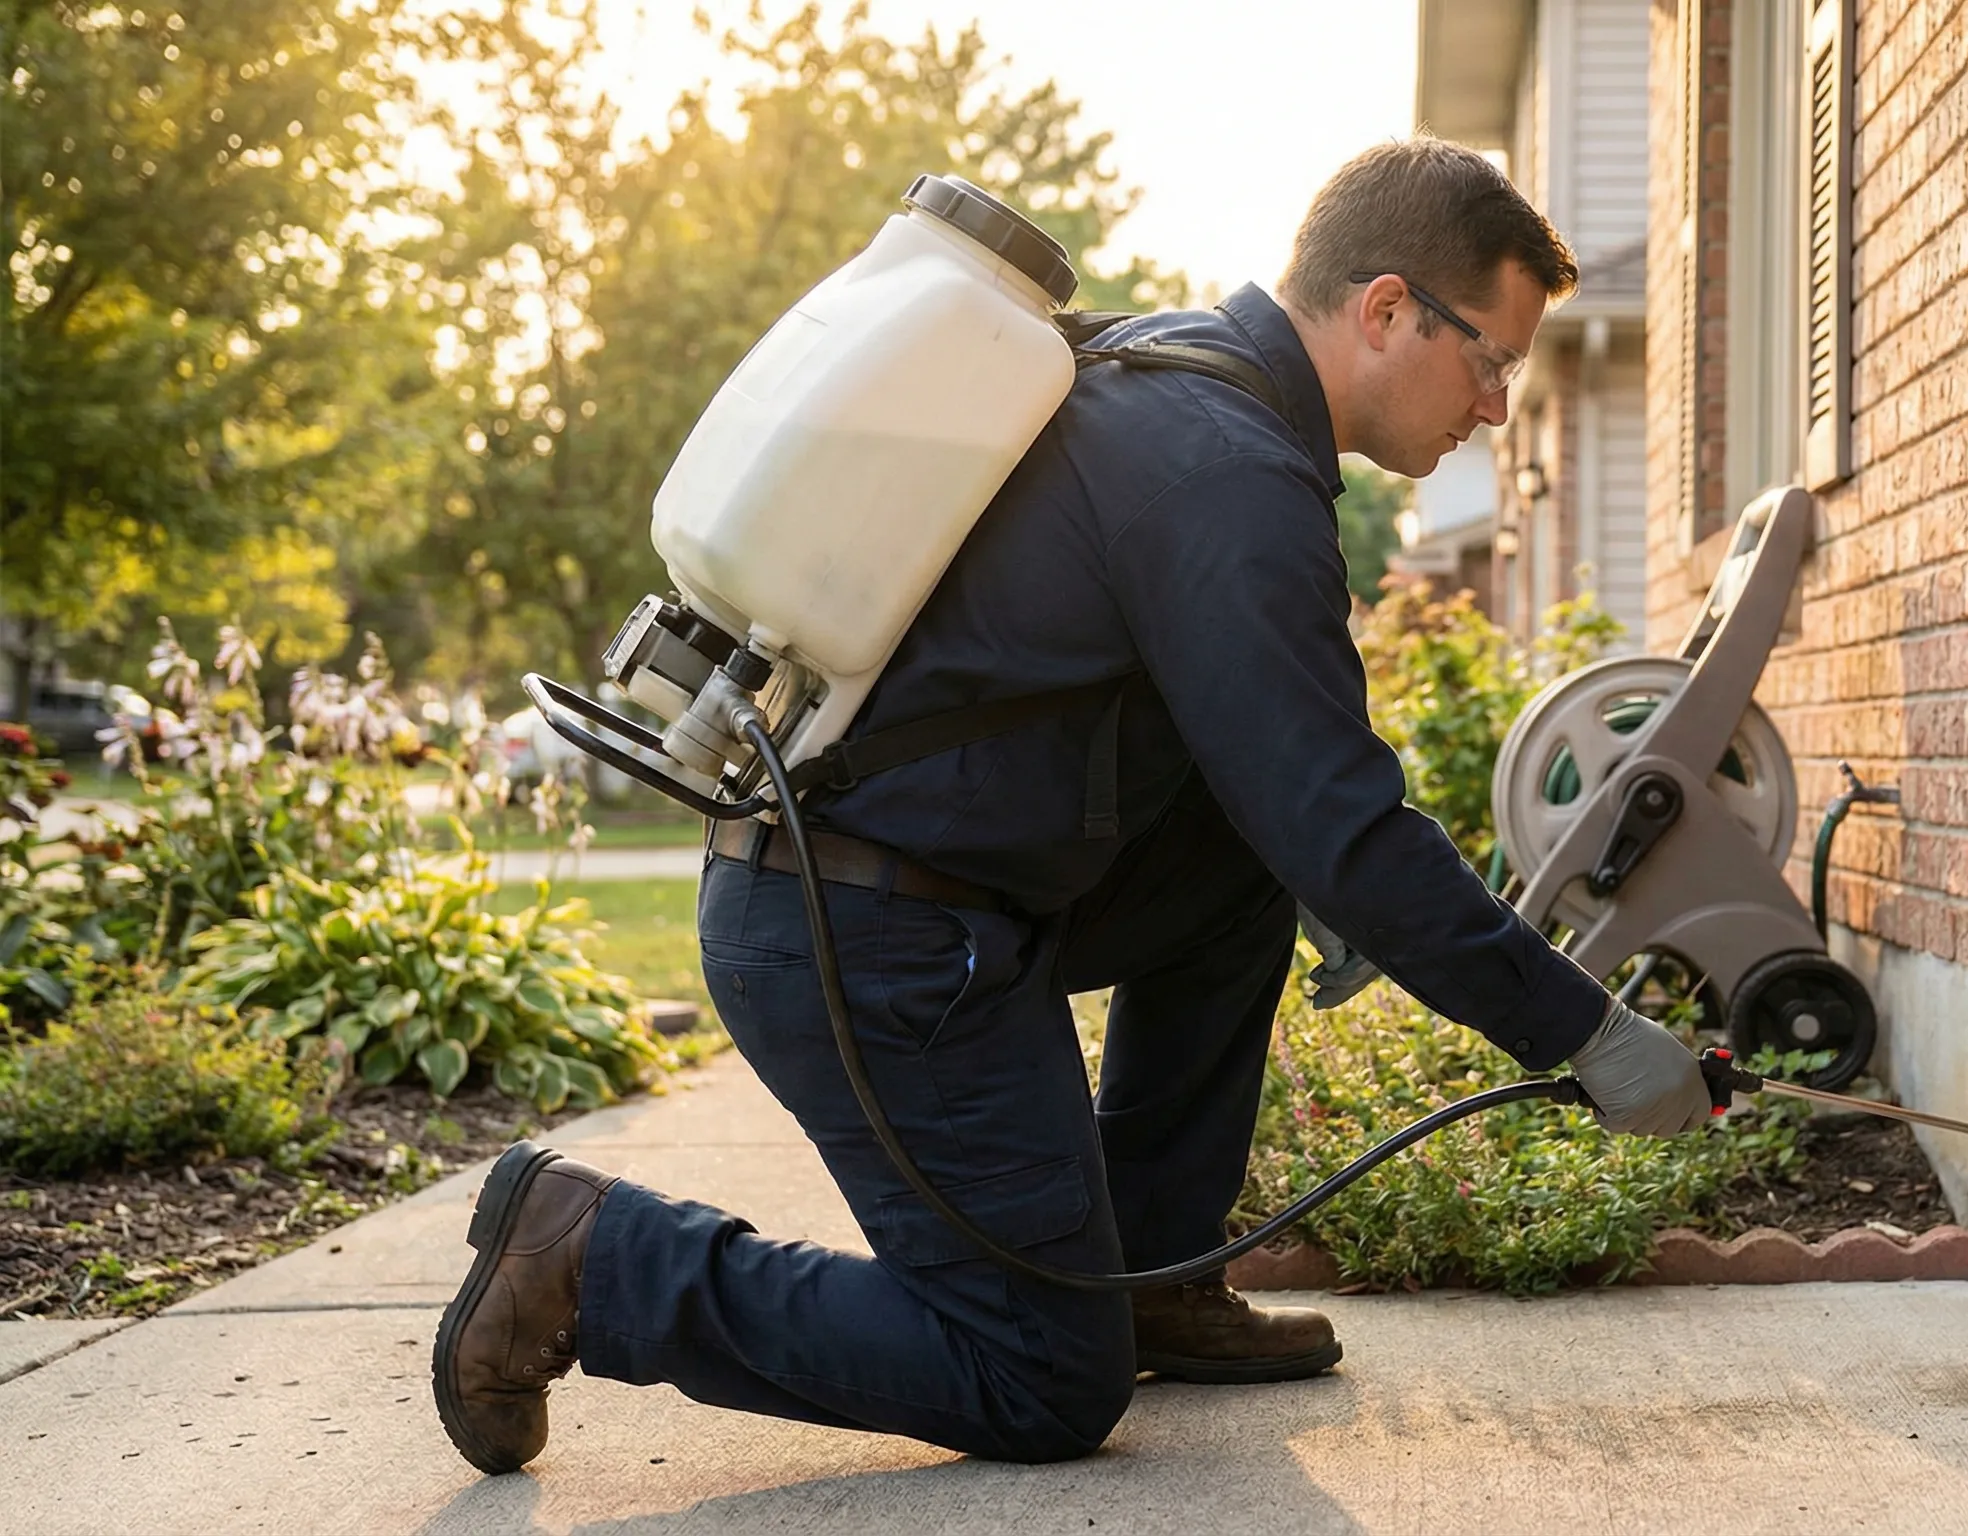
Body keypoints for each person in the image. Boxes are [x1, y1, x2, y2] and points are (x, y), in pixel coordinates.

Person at [431, 138, 1709, 1473]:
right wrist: (1588, 1032)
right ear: (1388, 310)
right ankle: (593, 1258)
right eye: (1493, 361)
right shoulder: (1225, 473)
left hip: (882, 892)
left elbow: (1282, 802)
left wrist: (1325, 874)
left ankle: (1154, 1271)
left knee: (1247, 855)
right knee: (1038, 1379)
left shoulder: (1163, 375)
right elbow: (1349, 830)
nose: (1497, 407)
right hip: (874, 943)